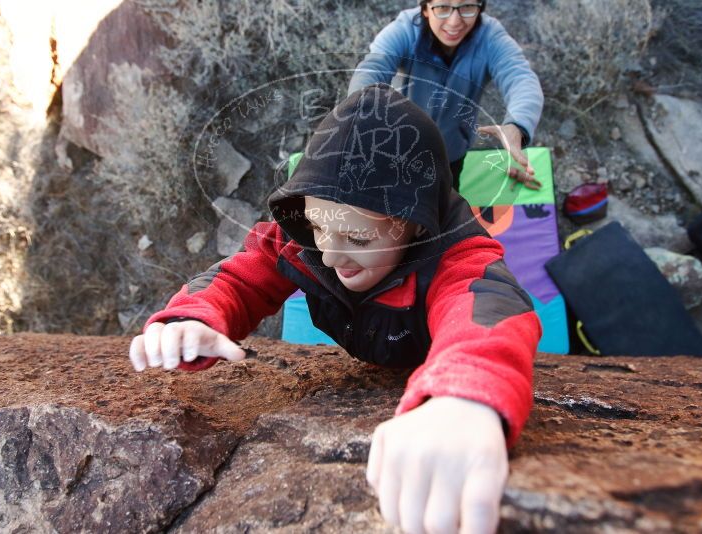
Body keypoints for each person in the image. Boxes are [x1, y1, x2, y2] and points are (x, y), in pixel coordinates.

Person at [129, 84, 541, 534]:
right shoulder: (305, 236)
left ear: (411, 227)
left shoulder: (456, 255)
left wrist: (464, 397)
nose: (329, 255)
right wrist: (193, 316)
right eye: (318, 226)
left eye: (358, 239)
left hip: (434, 361)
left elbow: (488, 310)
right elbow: (236, 277)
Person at [349, 0, 544, 191]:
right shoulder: (405, 30)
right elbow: (373, 67)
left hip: (450, 151)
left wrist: (517, 124)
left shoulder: (490, 37)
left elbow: (520, 78)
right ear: (425, 8)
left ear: (480, 7)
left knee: (445, 206)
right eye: (443, 7)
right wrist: (361, 111)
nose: (454, 22)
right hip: (398, 147)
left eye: (467, 7)